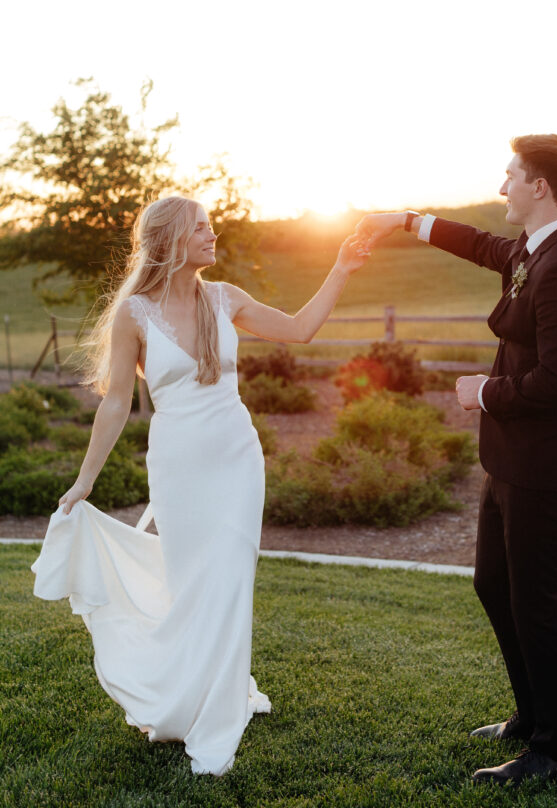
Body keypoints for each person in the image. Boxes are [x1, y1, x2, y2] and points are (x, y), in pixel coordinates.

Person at [32, 194, 369, 776]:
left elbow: (302, 330)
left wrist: (340, 266)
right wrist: (85, 480)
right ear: (169, 242)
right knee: (192, 585)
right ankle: (182, 698)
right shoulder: (133, 314)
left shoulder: (224, 298)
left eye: (212, 226)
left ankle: (217, 715)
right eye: (202, 229)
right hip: (178, 465)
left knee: (231, 580)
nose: (214, 236)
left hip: (238, 459)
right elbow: (115, 403)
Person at [354, 134, 557, 787]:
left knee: (536, 606)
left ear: (539, 187)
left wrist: (484, 392)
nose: (501, 187)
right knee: (493, 586)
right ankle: (529, 717)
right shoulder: (533, 248)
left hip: (544, 466)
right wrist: (405, 219)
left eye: (510, 175)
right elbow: (479, 244)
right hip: (509, 461)